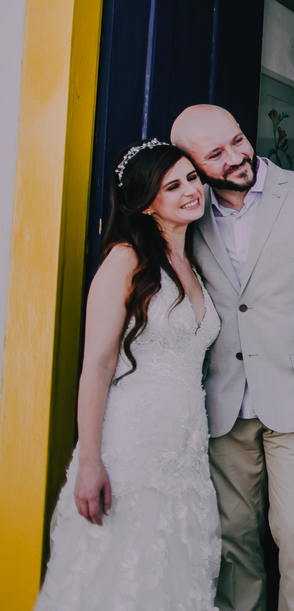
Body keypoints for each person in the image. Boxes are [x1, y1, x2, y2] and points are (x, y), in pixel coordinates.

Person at [171, 104, 294, 611]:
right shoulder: (189, 214)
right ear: (192, 165)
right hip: (222, 400)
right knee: (232, 536)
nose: (237, 157)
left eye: (237, 139)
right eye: (216, 154)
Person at [36, 140, 220, 610]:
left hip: (185, 452)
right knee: (118, 574)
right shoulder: (126, 259)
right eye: (172, 186)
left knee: (171, 574)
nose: (190, 191)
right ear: (144, 203)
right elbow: (97, 365)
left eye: (192, 178)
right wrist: (91, 459)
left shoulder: (194, 264)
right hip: (130, 445)